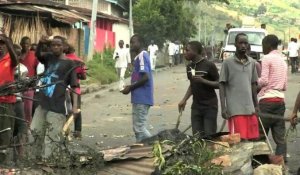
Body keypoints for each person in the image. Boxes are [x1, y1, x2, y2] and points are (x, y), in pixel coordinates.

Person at [31, 36, 79, 163]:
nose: (55, 47)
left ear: (64, 47)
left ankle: (49, 162)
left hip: (57, 106)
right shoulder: (48, 58)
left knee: (51, 137)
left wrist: (74, 107)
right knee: (35, 131)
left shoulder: (70, 63)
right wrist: (41, 43)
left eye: (58, 45)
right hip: (43, 103)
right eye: (53, 45)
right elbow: (38, 55)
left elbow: (75, 86)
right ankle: (35, 160)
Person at [219, 33, 259, 140]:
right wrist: (223, 107)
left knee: (252, 140)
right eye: (240, 43)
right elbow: (221, 85)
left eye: (245, 43)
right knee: (238, 140)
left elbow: (253, 85)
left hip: (250, 109)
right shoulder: (227, 63)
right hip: (235, 110)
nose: (243, 45)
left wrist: (256, 105)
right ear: (235, 44)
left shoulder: (252, 62)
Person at [178, 41, 219, 137]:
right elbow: (192, 85)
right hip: (196, 107)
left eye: (187, 50)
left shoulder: (209, 65)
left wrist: (204, 81)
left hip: (210, 106)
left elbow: (219, 84)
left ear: (195, 51)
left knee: (209, 136)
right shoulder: (189, 67)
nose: (185, 52)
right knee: (196, 137)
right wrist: (184, 100)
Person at [257, 34, 288, 161]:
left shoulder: (266, 58)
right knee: (280, 136)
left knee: (260, 134)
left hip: (267, 101)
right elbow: (285, 85)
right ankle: (282, 162)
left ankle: (260, 161)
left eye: (263, 45)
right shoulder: (283, 60)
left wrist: (254, 82)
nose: (262, 48)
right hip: (280, 101)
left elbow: (263, 81)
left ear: (268, 45)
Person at [121, 34, 153, 143]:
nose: (131, 45)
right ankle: (142, 149)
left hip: (142, 98)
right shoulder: (138, 57)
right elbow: (137, 77)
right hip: (138, 98)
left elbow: (145, 77)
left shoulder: (142, 56)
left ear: (140, 43)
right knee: (137, 128)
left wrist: (130, 88)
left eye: (133, 42)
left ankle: (155, 145)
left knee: (139, 128)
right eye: (130, 43)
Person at [0, 34, 18, 163]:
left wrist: (8, 41)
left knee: (5, 132)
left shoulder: (10, 59)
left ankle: (4, 162)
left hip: (6, 102)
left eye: (2, 44)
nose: (0, 46)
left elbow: (16, 60)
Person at [65, 44, 86, 139]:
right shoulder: (80, 61)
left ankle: (65, 131)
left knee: (65, 110)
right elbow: (84, 76)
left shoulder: (63, 60)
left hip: (63, 88)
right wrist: (79, 75)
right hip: (75, 88)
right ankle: (77, 132)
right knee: (76, 109)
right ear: (74, 51)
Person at [19, 36, 39, 125]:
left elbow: (38, 69)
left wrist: (35, 81)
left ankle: (27, 125)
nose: (25, 45)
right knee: (19, 106)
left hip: (29, 85)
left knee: (28, 107)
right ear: (21, 44)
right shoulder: (17, 54)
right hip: (18, 85)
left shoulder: (34, 55)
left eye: (27, 43)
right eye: (23, 43)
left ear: (30, 45)